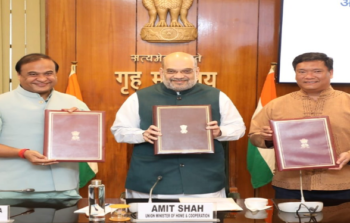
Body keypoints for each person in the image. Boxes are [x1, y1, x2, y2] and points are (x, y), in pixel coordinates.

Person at [111, 52, 245, 198]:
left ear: (197, 71)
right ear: (161, 72)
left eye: (186, 71)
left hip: (203, 183)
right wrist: (143, 135)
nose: (179, 76)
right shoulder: (139, 97)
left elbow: (238, 128)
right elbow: (119, 130)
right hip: (152, 183)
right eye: (172, 71)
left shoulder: (217, 96)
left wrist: (220, 132)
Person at [249, 52, 350, 200]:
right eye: (301, 72)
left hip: (341, 184)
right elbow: (254, 136)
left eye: (317, 71)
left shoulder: (347, 102)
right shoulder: (276, 105)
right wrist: (267, 138)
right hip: (290, 186)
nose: (308, 76)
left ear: (331, 73)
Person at [0, 53, 89, 199]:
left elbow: (91, 142)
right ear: (19, 75)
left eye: (48, 73)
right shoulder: (2, 102)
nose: (42, 79)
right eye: (33, 74)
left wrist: (81, 121)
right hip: (12, 190)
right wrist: (22, 152)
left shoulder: (74, 103)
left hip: (65, 190)